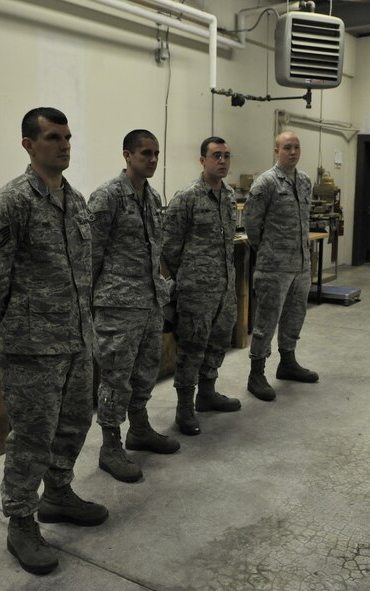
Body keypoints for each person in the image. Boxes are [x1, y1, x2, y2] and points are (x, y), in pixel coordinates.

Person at [0, 107, 107, 575]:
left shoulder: (76, 200)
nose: (64, 144)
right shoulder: (8, 203)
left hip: (77, 341)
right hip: (32, 349)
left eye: (68, 136)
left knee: (73, 425)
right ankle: (20, 521)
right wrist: (21, 325)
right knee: (31, 438)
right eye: (52, 137)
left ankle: (59, 493)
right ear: (28, 144)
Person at [88, 129, 180, 482]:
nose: (153, 160)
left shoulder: (152, 197)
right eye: (146, 153)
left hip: (149, 302)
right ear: (127, 155)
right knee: (116, 377)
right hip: (117, 305)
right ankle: (110, 446)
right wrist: (94, 303)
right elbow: (90, 255)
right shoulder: (107, 197)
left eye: (156, 153)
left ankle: (139, 428)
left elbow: (154, 251)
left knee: (145, 374)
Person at [162, 136, 242, 436]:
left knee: (218, 342)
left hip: (224, 288)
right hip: (196, 291)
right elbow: (168, 245)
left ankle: (207, 394)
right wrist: (189, 277)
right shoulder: (187, 198)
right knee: (192, 349)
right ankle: (185, 408)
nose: (222, 161)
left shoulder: (230, 196)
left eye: (226, 155)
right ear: (202, 160)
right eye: (216, 156)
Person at [244, 130, 320, 402]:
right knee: (266, 321)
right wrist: (267, 250)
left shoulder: (304, 181)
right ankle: (256, 373)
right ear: (276, 151)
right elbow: (251, 225)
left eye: (297, 147)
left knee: (295, 315)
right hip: (273, 265)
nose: (293, 152)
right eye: (287, 147)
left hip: (300, 263)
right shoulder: (265, 183)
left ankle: (287, 362)